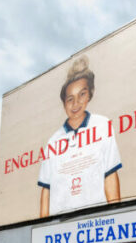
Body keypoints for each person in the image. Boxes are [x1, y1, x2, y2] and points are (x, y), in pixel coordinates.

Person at [38, 55, 121, 217]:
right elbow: (46, 190)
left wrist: (116, 216)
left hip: (98, 218)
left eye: (82, 94)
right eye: (70, 99)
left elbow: (110, 174)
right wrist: (43, 228)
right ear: (63, 103)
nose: (75, 104)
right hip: (60, 224)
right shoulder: (53, 141)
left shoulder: (103, 125)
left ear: (90, 94)